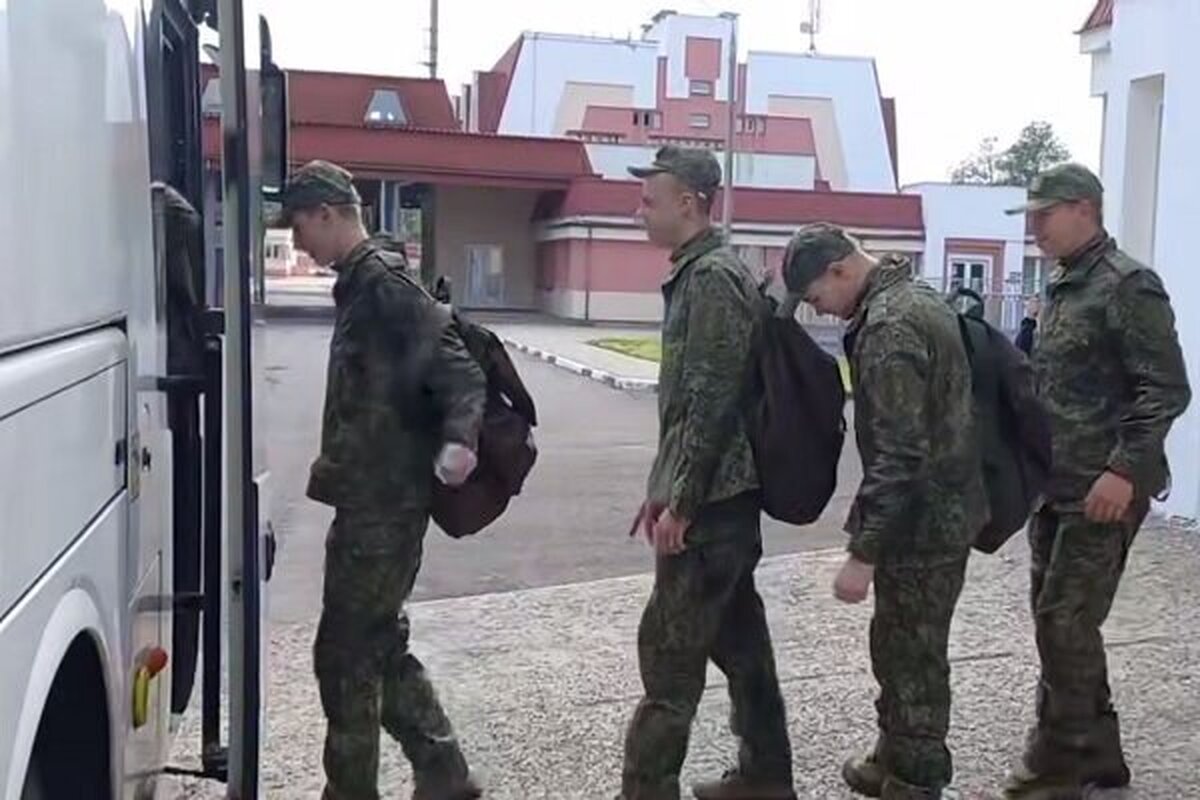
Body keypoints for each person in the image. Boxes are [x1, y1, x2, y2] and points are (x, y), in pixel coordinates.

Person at [275, 160, 488, 800]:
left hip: (384, 506)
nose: (298, 242)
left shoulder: (383, 284)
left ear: (328, 215)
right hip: (373, 498)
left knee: (345, 656)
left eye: (300, 226)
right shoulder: (363, 282)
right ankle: (444, 772)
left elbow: (460, 370)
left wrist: (459, 442)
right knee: (376, 645)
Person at [1001, 163, 1191, 799]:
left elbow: (1165, 388)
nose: (1034, 228)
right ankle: (1100, 752)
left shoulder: (1127, 286)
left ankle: (1060, 764)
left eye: (1044, 215)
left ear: (1084, 208)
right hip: (1055, 486)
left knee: (1064, 622)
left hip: (1103, 490)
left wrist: (1123, 470)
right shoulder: (1063, 284)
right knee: (1059, 622)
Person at [783, 223, 987, 800]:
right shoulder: (913, 295)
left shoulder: (889, 327)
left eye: (817, 297)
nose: (820, 311)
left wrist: (864, 552)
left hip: (923, 520)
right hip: (938, 507)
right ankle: (894, 754)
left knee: (913, 653)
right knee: (897, 641)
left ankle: (918, 779)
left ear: (842, 270)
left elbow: (900, 453)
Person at [620, 145, 795, 800]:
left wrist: (684, 501)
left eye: (649, 201)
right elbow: (686, 406)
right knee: (742, 647)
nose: (639, 212)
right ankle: (766, 776)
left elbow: (712, 401)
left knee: (668, 659)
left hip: (713, 507)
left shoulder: (713, 279)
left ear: (689, 204)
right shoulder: (700, 272)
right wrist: (661, 487)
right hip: (718, 501)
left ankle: (647, 790)